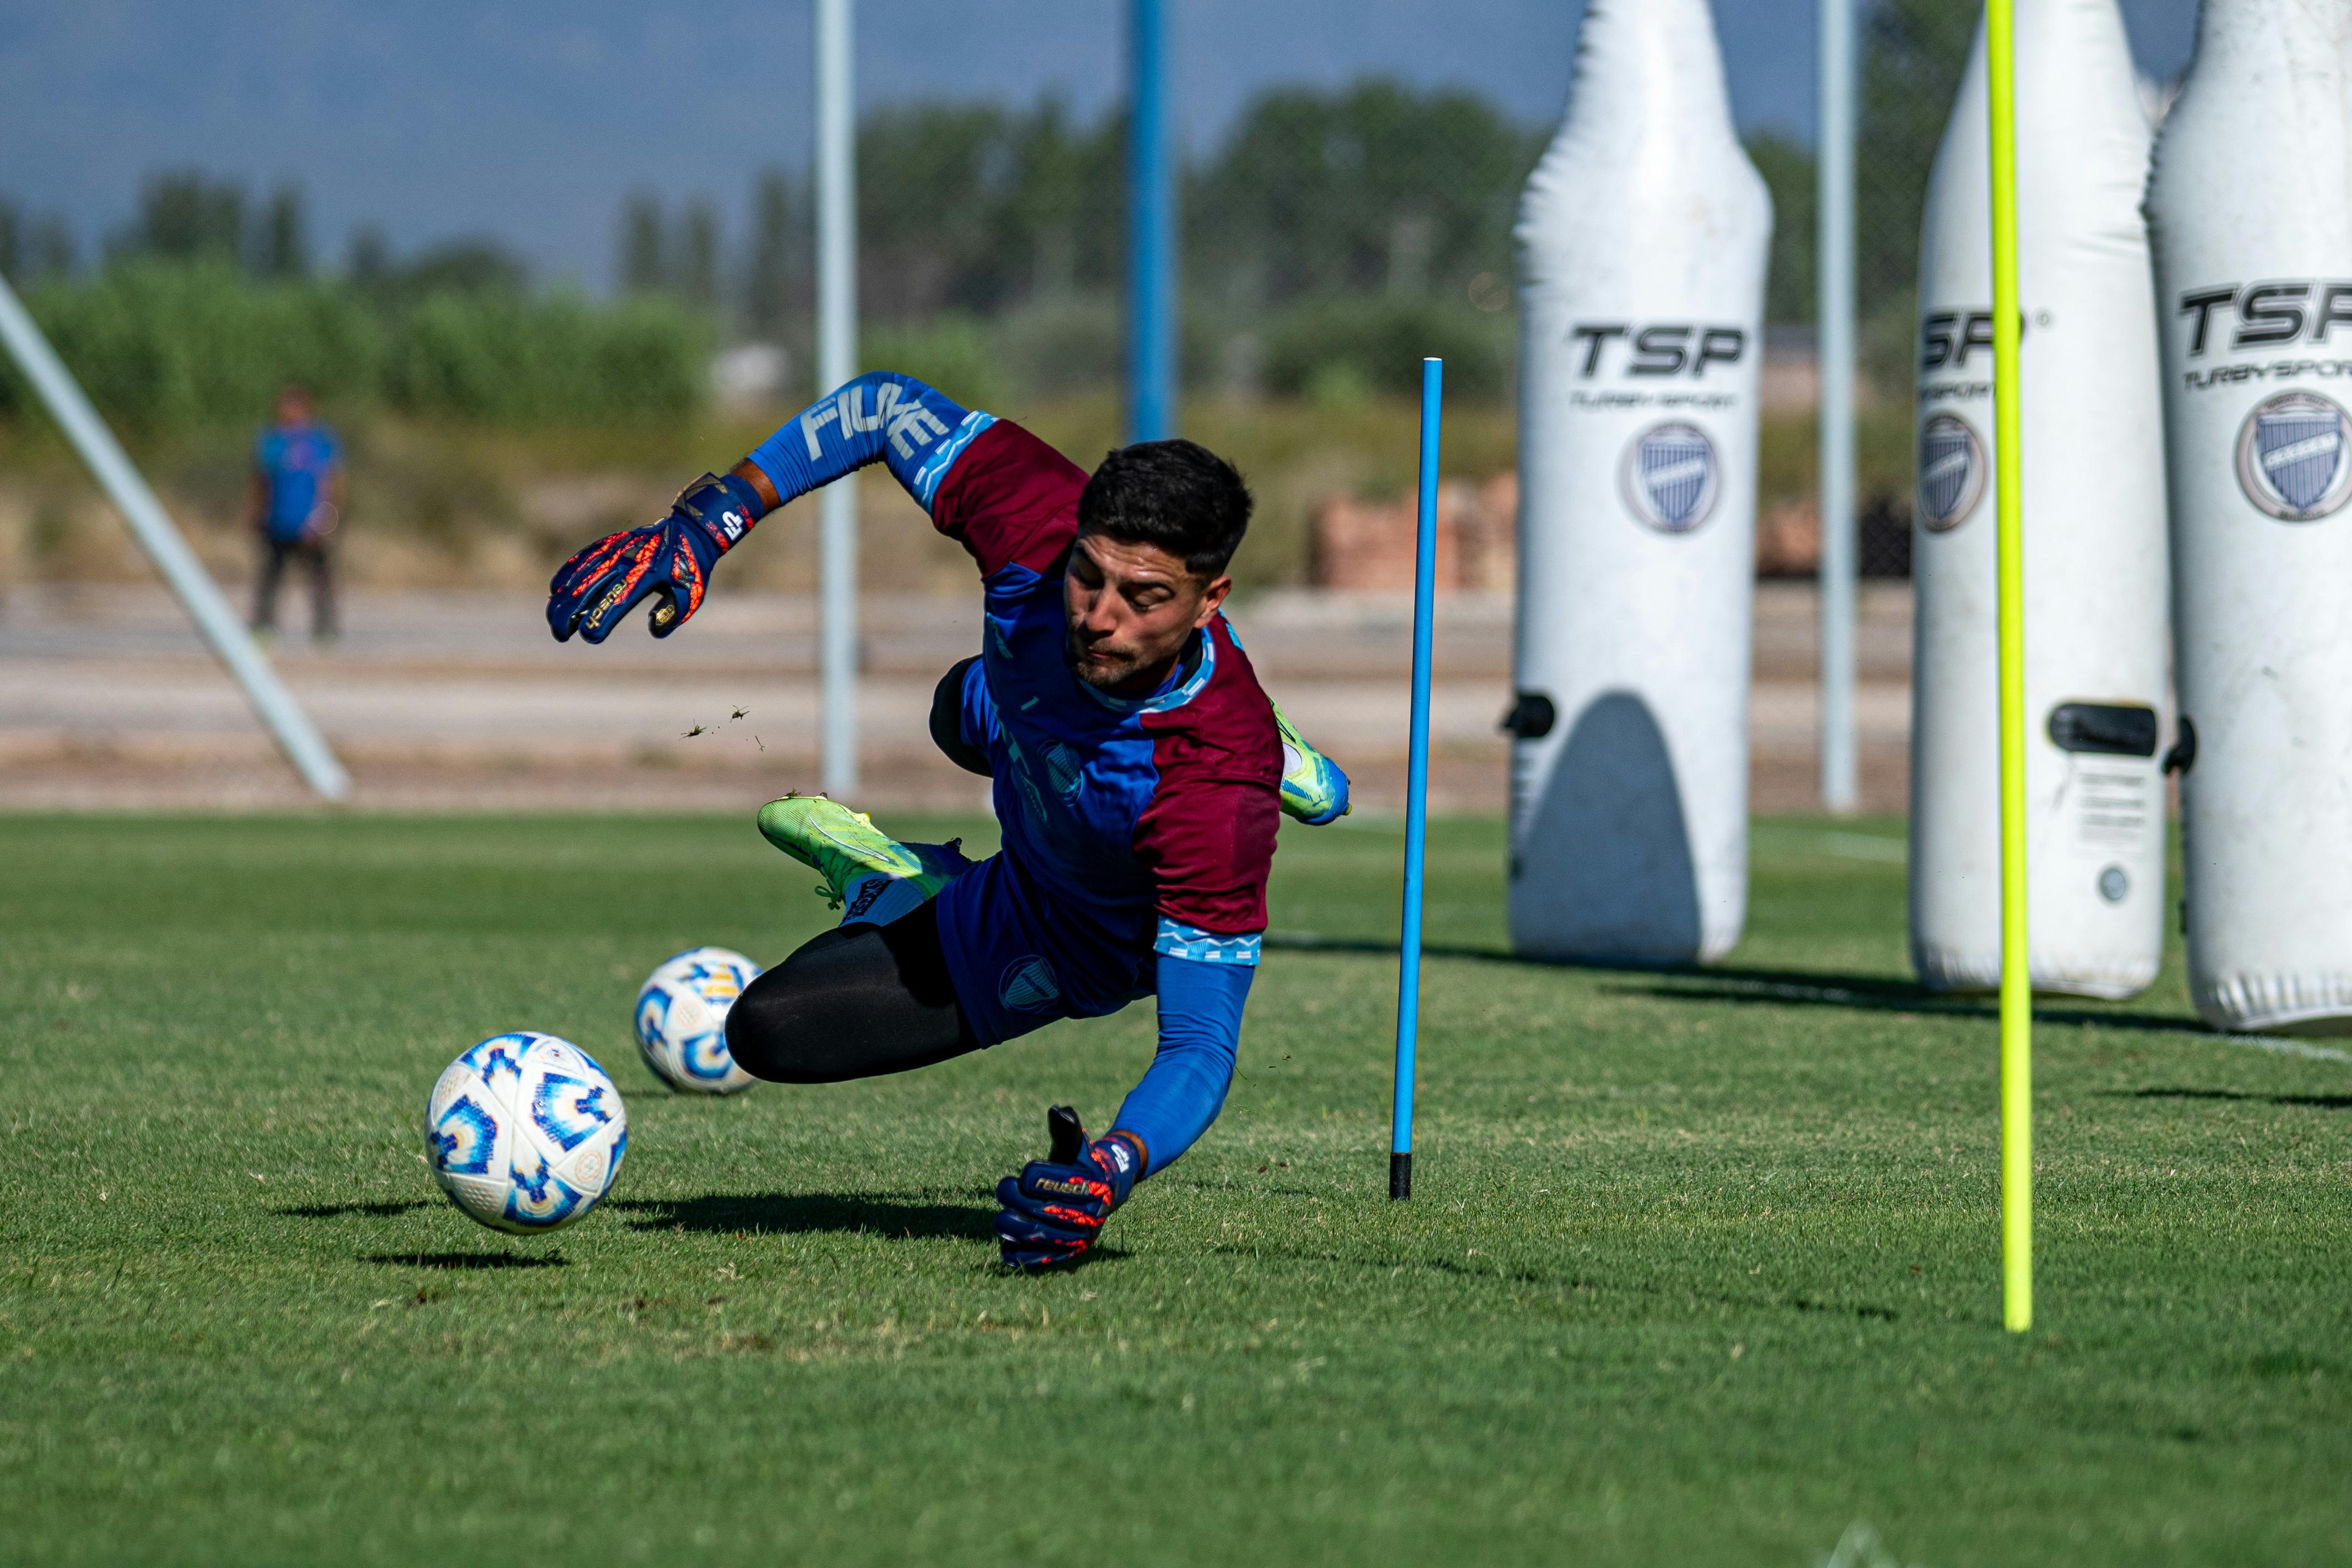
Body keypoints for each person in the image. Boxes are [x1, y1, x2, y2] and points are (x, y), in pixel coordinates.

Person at [545, 371, 1352, 1268]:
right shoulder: (1034, 520)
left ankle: (1275, 746)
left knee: (768, 1028)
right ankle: (911, 876)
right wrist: (709, 518)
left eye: (1144, 597)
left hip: (1070, 931)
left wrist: (1109, 1167)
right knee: (953, 712)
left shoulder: (1212, 794)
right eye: (1088, 573)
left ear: (1210, 600)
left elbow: (1201, 1041)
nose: (1098, 614)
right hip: (1021, 732)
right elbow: (883, 407)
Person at [246, 383, 343, 642]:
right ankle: (263, 628)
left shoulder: (319, 440)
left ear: (304, 407)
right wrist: (255, 514)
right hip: (277, 521)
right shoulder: (272, 440)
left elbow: (330, 482)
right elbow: (261, 480)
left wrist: (326, 519)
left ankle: (326, 631)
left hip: (311, 523)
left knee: (319, 578)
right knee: (271, 578)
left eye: (291, 405)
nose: (285, 411)